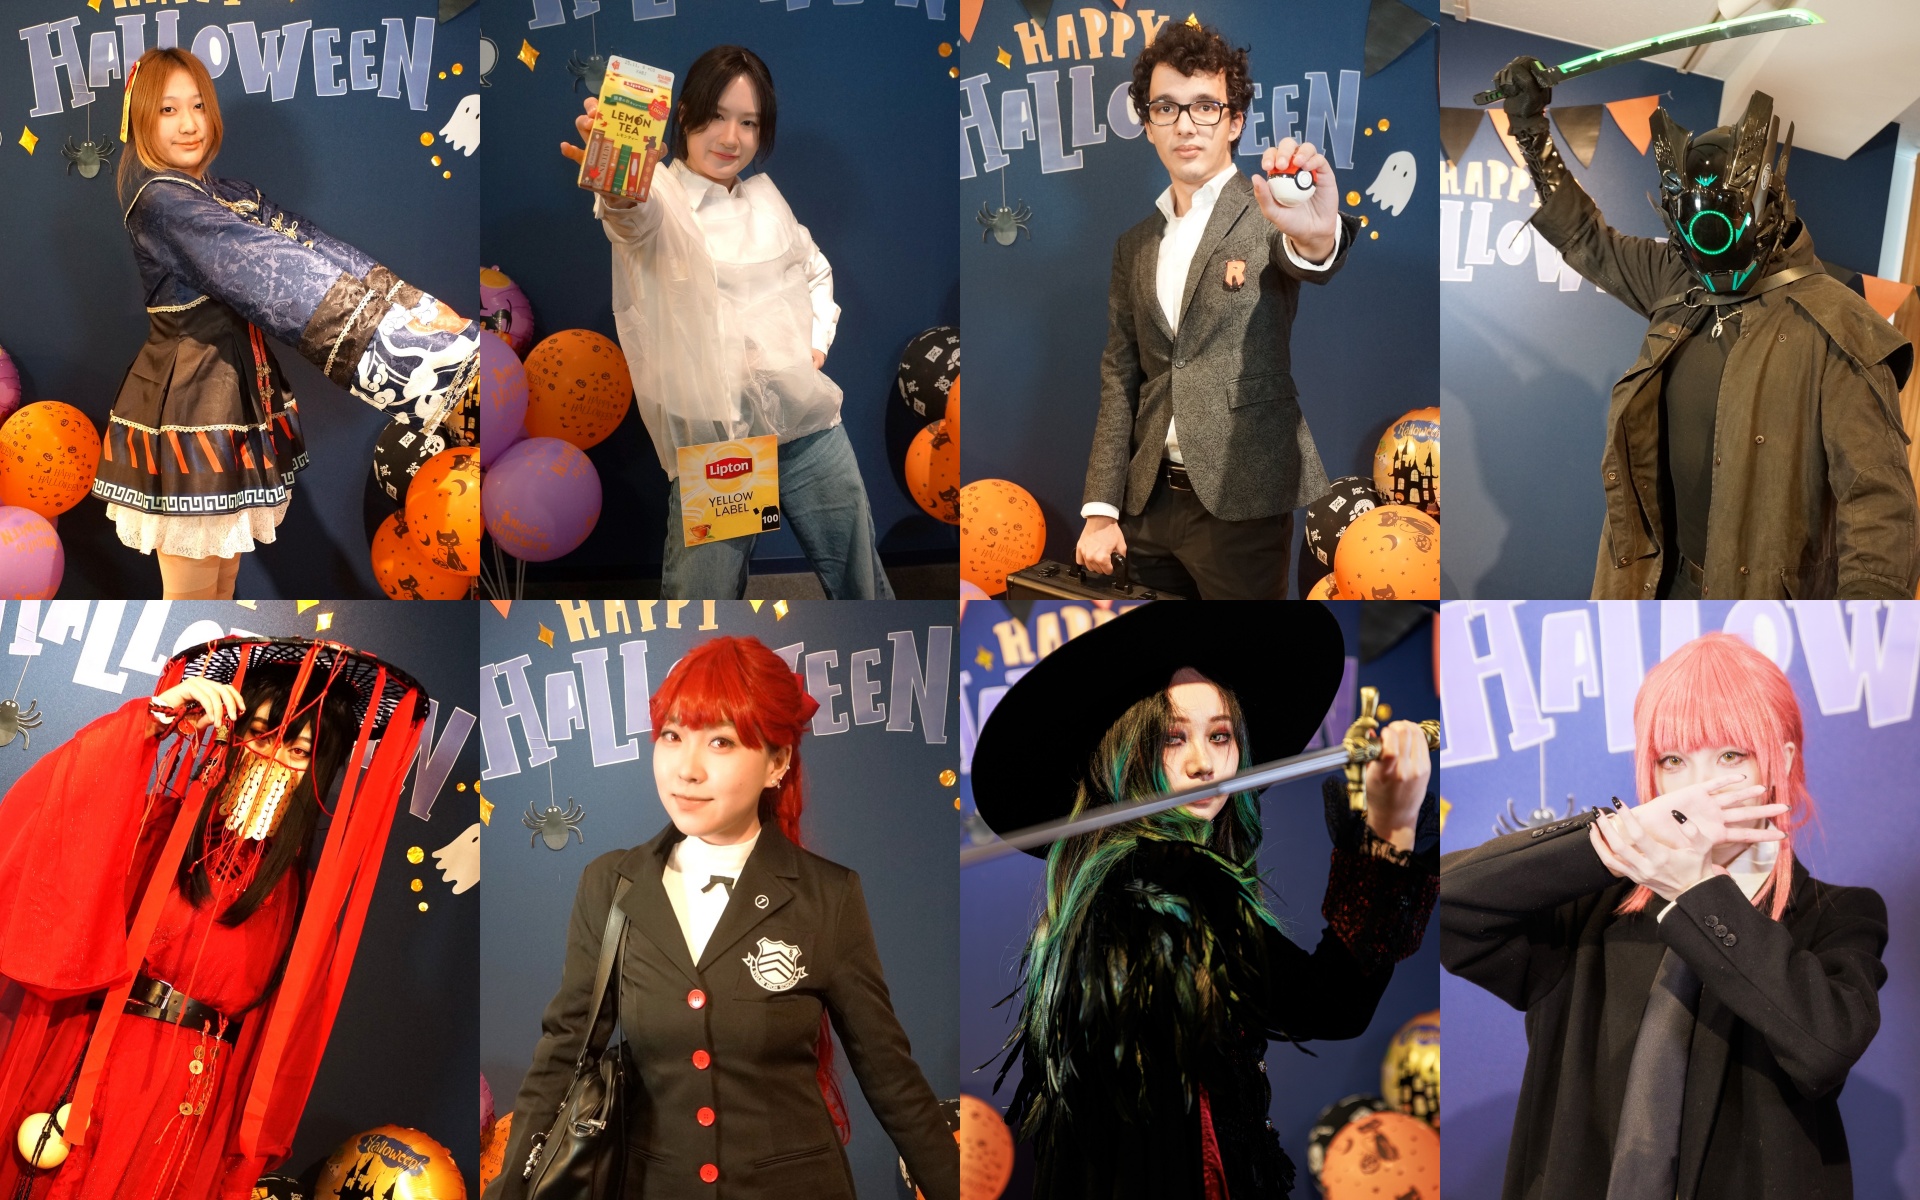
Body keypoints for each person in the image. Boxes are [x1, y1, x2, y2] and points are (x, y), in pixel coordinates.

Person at [971, 603, 1438, 1198]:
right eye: (1172, 738)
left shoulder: (1102, 887)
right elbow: (1333, 1005)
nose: (1204, 763)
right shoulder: (1168, 876)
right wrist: (1390, 829)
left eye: (1220, 735)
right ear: (1122, 752)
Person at [490, 636, 955, 1200]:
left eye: (721, 741)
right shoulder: (610, 884)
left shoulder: (828, 895)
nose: (687, 769)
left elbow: (890, 1076)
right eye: (672, 736)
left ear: (777, 762)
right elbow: (564, 1055)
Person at [1440, 631, 1888, 1199]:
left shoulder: (1838, 915)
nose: (1698, 789)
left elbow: (1825, 1049)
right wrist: (1613, 844)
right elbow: (1446, 900)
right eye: (1674, 761)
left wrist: (1699, 890)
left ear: (1782, 760)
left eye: (1731, 756)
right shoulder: (1589, 905)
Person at [0, 639, 431, 1199]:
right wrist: (153, 722)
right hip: (92, 1062)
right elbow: (53, 822)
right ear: (234, 733)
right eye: (262, 734)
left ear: (319, 770)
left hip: (188, 1104)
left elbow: (282, 1052)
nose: (273, 758)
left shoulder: (298, 899)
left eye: (299, 750)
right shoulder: (157, 826)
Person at [1491, 57, 1918, 599]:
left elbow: (1878, 505)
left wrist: (1856, 634)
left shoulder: (1837, 325)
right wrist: (1530, 131)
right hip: (1654, 585)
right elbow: (1583, 236)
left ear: (1768, 207)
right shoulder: (1679, 278)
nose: (1713, 255)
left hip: (1760, 611)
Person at [101, 47, 481, 599]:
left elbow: (312, 245)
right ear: (141, 121)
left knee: (223, 578)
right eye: (167, 110)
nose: (189, 124)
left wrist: (416, 307)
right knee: (191, 589)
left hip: (233, 395)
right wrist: (410, 344)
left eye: (198, 106)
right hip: (191, 402)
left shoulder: (230, 194)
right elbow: (277, 272)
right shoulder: (161, 202)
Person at [559, 45, 893, 600]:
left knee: (861, 581)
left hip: (806, 425)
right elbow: (631, 219)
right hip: (719, 442)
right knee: (705, 599)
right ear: (684, 113)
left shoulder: (767, 200)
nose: (731, 138)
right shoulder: (659, 195)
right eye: (716, 116)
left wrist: (814, 346)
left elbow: (813, 269)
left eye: (749, 123)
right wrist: (619, 191)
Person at [1073, 22, 1360, 600]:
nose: (1185, 125)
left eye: (1205, 106)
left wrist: (1317, 236)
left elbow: (1311, 255)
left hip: (1242, 499)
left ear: (1234, 122)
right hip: (1145, 505)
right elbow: (1120, 377)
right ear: (1148, 124)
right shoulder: (1133, 245)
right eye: (1166, 108)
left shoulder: (1271, 212)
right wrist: (1101, 508)